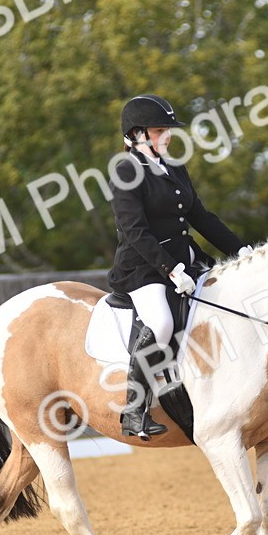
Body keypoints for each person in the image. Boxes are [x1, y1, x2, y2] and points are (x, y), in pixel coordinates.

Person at [108, 94, 250, 440]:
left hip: (189, 260)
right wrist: (170, 270)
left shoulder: (173, 166)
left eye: (167, 130)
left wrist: (241, 248)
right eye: (160, 130)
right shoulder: (125, 171)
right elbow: (135, 231)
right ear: (137, 134)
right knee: (160, 321)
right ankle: (133, 409)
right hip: (143, 268)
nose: (168, 136)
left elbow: (200, 216)